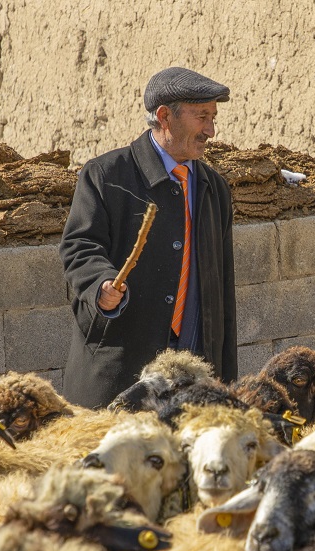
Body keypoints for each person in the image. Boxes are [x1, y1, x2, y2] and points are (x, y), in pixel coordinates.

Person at [59, 67, 238, 409]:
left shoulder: (214, 189)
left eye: (213, 117)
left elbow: (222, 292)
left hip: (193, 380)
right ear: (164, 116)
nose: (211, 130)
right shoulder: (107, 176)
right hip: (120, 373)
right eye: (202, 117)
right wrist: (100, 285)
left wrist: (225, 383)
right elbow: (79, 245)